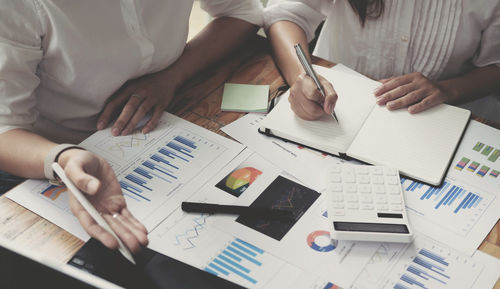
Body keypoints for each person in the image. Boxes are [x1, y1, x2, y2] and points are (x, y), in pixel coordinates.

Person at [0, 0, 263, 253]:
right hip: (46, 155)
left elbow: (241, 12)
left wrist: (171, 77)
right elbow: (5, 127)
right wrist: (63, 158)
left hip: (164, 125)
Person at [264, 0, 500, 122]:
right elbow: (286, 13)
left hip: (435, 121)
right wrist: (301, 76)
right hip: (333, 108)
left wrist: (446, 89)